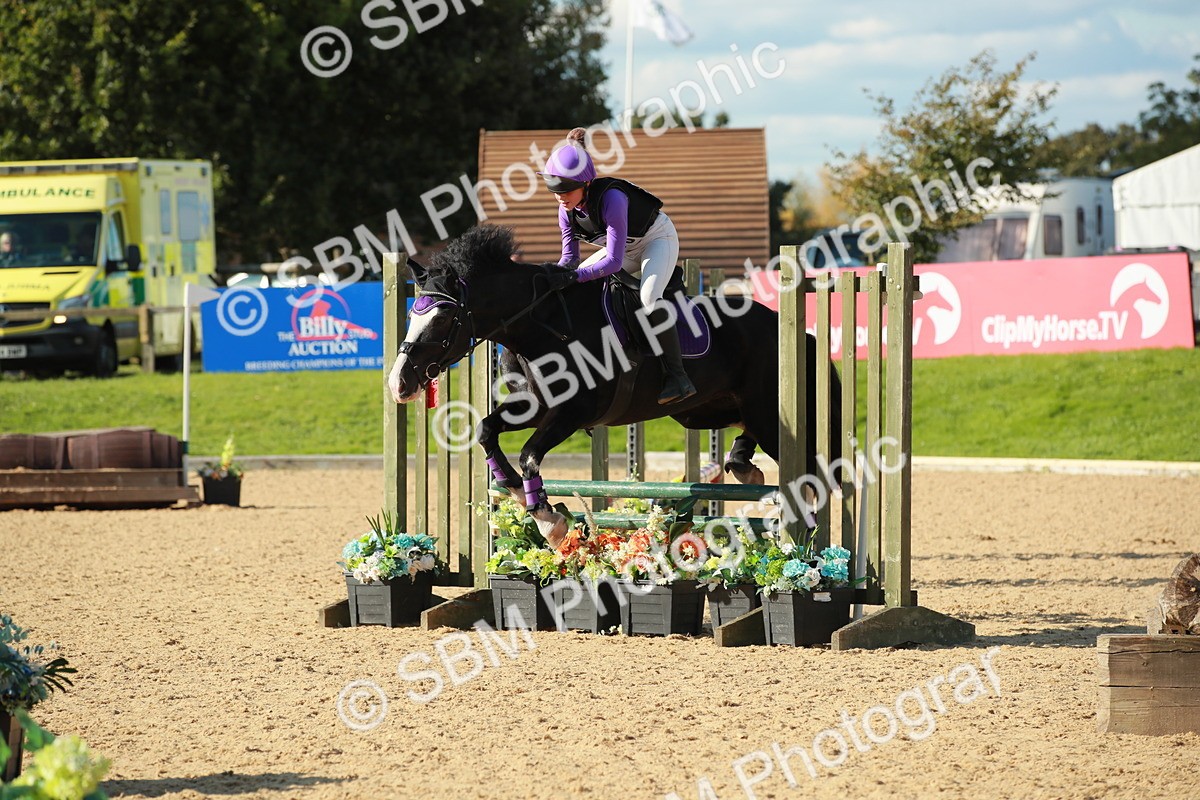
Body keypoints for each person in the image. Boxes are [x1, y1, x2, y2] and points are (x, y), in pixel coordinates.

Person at [539, 127, 696, 404]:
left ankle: (678, 376)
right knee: (579, 290)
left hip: (656, 240)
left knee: (649, 298)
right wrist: (554, 276)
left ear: (586, 184)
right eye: (554, 191)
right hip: (625, 250)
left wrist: (574, 276)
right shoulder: (566, 211)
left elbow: (611, 262)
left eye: (566, 190)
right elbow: (570, 260)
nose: (561, 197)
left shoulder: (612, 198)